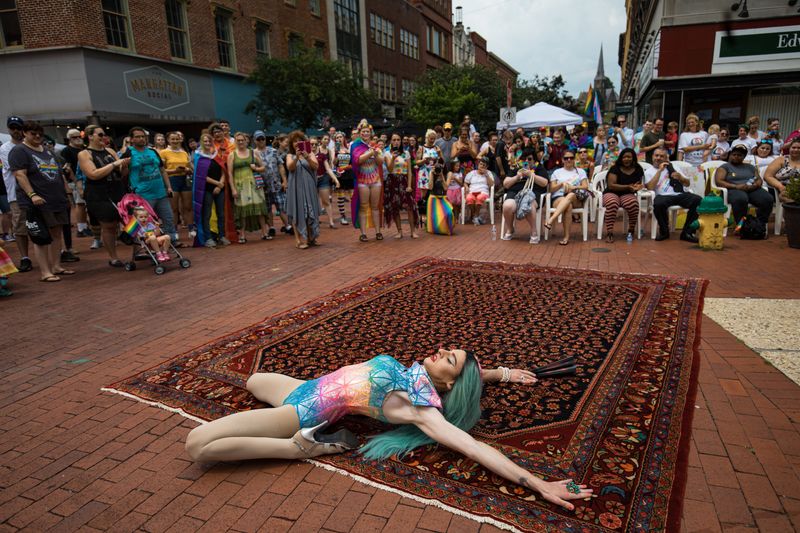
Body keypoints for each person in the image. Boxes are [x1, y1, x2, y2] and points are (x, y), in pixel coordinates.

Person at [184, 347, 593, 512]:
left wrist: (537, 482)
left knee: (199, 445)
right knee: (255, 381)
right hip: (305, 386)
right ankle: (293, 435)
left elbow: (472, 447)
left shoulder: (420, 409)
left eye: (449, 358)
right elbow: (466, 375)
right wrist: (500, 374)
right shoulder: (419, 373)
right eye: (451, 348)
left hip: (304, 411)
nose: (444, 349)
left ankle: (300, 449)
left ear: (447, 384)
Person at [8, 121, 74, 282]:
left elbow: (59, 173)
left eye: (40, 134)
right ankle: (45, 272)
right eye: (33, 133)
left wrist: (66, 191)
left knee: (57, 233)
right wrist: (32, 195)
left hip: (56, 199)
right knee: (40, 237)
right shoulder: (19, 151)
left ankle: (56, 266)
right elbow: (20, 175)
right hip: (36, 201)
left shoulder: (47, 150)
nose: (37, 136)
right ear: (24, 133)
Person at [77, 125, 128, 267]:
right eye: (100, 134)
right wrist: (114, 164)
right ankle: (114, 258)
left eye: (104, 134)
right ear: (90, 136)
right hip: (98, 193)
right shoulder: (84, 154)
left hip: (117, 189)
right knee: (109, 225)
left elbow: (122, 173)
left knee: (130, 221)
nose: (103, 137)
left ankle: (139, 251)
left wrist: (124, 165)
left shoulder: (110, 151)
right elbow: (92, 174)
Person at [122, 127, 179, 244]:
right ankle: (144, 246)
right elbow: (123, 174)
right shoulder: (128, 153)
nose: (141, 139)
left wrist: (168, 187)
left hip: (160, 192)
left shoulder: (153, 152)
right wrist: (124, 166)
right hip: (142, 195)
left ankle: (172, 241)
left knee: (168, 218)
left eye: (143, 136)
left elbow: (162, 170)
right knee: (143, 222)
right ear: (131, 139)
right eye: (137, 137)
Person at [645, 147, 700, 242]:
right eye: (656, 155)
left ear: (666, 158)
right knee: (658, 204)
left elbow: (687, 183)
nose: (658, 158)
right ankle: (664, 231)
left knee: (698, 200)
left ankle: (687, 232)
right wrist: (659, 171)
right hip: (662, 196)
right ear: (652, 156)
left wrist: (681, 177)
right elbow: (650, 187)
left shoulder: (674, 167)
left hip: (679, 194)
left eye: (661, 156)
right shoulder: (648, 171)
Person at [714, 144, 773, 230]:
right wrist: (736, 186)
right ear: (730, 155)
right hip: (732, 190)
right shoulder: (725, 167)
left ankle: (760, 225)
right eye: (734, 155)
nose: (736, 157)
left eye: (739, 155)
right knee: (741, 198)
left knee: (768, 199)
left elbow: (758, 179)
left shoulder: (750, 167)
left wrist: (756, 185)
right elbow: (719, 181)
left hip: (751, 189)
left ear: (744, 157)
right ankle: (742, 226)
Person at [0, 116, 31, 272]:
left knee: (42, 225)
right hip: (16, 194)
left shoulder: (31, 145)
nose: (16, 131)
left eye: (18, 128)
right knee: (20, 227)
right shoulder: (5, 148)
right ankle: (25, 257)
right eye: (13, 128)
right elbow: (17, 168)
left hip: (36, 191)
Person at [228, 132, 269, 243]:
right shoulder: (232, 155)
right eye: (238, 140)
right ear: (235, 142)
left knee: (260, 209)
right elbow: (230, 173)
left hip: (254, 185)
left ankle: (265, 233)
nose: (241, 142)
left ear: (246, 141)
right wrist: (233, 189)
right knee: (242, 211)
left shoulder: (253, 153)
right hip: (240, 186)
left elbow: (264, 168)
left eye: (242, 140)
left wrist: (255, 168)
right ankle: (242, 235)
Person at [501, 149, 548, 244]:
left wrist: (532, 175)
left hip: (533, 194)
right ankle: (510, 229)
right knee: (507, 206)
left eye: (529, 159)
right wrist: (517, 177)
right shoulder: (516, 168)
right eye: (524, 159)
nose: (527, 161)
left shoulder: (539, 168)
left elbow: (545, 183)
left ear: (534, 160)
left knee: (529, 205)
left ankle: (534, 231)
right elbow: (505, 184)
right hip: (515, 193)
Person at [544, 150, 590, 245]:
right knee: (567, 206)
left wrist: (573, 187)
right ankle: (566, 236)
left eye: (571, 158)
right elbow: (552, 189)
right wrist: (561, 184)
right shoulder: (557, 172)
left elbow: (585, 186)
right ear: (562, 160)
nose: (569, 160)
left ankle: (551, 219)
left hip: (576, 199)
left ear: (574, 159)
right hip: (559, 197)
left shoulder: (580, 171)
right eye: (566, 158)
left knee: (571, 194)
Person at [192, 132, 229, 248]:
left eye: (209, 141)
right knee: (206, 214)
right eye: (205, 141)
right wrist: (217, 183)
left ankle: (222, 236)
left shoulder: (217, 155)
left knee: (221, 214)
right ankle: (208, 238)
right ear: (202, 143)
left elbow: (223, 171)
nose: (207, 143)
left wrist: (220, 185)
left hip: (220, 189)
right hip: (206, 189)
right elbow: (201, 176)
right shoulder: (199, 157)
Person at [285, 130, 321, 249]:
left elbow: (316, 166)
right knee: (298, 210)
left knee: (310, 210)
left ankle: (311, 237)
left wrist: (307, 157)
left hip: (309, 186)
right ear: (291, 144)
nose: (297, 143)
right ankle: (299, 239)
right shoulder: (290, 155)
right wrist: (296, 157)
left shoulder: (310, 154)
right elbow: (290, 167)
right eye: (294, 141)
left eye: (299, 140)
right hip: (295, 187)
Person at [350, 121, 384, 242]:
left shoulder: (375, 145)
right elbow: (357, 160)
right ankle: (363, 233)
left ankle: (378, 232)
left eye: (367, 131)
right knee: (363, 206)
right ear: (360, 133)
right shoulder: (356, 145)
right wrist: (370, 152)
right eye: (363, 131)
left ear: (371, 133)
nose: (365, 133)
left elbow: (381, 161)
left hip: (375, 179)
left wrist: (375, 153)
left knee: (375, 206)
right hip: (362, 180)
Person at [602, 148, 643, 243]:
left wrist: (638, 187)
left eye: (629, 157)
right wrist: (628, 186)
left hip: (627, 193)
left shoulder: (638, 169)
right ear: (621, 158)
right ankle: (609, 233)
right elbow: (611, 185)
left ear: (633, 158)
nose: (626, 159)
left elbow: (638, 183)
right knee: (612, 203)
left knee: (633, 203)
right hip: (611, 192)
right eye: (624, 157)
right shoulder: (615, 168)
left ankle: (631, 231)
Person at [161, 131, 194, 239]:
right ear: (168, 140)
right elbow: (161, 170)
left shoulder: (184, 152)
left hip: (184, 179)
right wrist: (174, 170)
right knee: (173, 208)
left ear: (180, 139)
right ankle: (174, 231)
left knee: (188, 206)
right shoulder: (163, 152)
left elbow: (190, 166)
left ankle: (191, 229)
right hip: (171, 180)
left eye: (177, 139)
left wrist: (188, 170)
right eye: (172, 139)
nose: (175, 141)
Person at [384, 133, 418, 239]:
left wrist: (409, 185)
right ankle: (399, 231)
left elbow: (409, 171)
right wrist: (393, 158)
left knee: (410, 207)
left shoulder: (406, 153)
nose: (396, 142)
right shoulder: (387, 154)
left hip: (403, 181)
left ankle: (413, 231)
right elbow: (389, 169)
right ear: (390, 141)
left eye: (398, 139)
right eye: (394, 140)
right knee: (395, 207)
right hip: (392, 181)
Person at [61, 129, 91, 239]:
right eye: (74, 137)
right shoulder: (67, 151)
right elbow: (67, 168)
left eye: (79, 136)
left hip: (86, 179)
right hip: (76, 181)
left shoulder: (83, 149)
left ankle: (85, 226)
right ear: (69, 139)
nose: (78, 138)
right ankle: (81, 228)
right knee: (80, 204)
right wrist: (76, 181)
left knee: (85, 204)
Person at [416, 130, 444, 225]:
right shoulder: (421, 148)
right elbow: (416, 162)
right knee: (424, 196)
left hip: (434, 173)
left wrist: (440, 154)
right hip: (424, 173)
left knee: (433, 194)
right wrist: (423, 160)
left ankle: (432, 216)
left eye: (434, 138)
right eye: (430, 138)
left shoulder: (437, 148)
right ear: (426, 138)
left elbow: (442, 162)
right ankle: (423, 215)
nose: (432, 140)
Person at [313, 136, 339, 229]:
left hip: (323, 178)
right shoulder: (306, 155)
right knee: (313, 201)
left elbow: (328, 168)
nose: (313, 146)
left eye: (315, 144)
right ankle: (315, 220)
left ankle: (331, 221)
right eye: (311, 144)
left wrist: (335, 179)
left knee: (326, 201)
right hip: (311, 180)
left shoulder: (322, 155)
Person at [764, 138, 800, 204]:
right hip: (784, 189)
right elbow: (767, 176)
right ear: (789, 148)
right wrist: (780, 186)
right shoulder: (781, 159)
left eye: (799, 148)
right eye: (793, 147)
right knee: (786, 196)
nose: (796, 150)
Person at [463, 157, 493, 225]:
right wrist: (467, 187)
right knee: (469, 198)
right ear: (478, 164)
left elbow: (491, 184)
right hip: (472, 191)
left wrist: (486, 175)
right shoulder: (472, 173)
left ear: (487, 167)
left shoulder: (488, 173)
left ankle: (475, 216)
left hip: (483, 192)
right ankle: (475, 216)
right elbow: (465, 182)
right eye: (480, 164)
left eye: (484, 165)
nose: (481, 166)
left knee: (479, 198)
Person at [333, 132, 354, 226]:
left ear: (343, 138)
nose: (339, 139)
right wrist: (336, 154)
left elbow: (353, 162)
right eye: (337, 137)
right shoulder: (334, 150)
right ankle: (343, 216)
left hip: (349, 175)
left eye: (340, 137)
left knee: (353, 196)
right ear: (335, 139)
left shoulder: (348, 148)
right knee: (341, 197)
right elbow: (333, 163)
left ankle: (354, 215)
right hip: (340, 175)